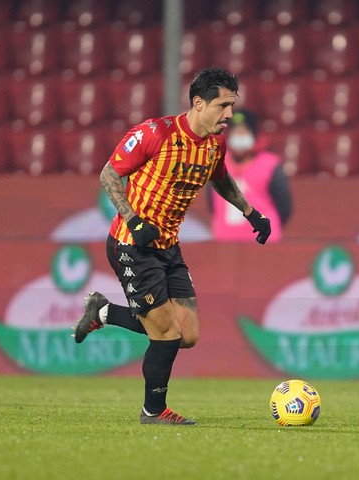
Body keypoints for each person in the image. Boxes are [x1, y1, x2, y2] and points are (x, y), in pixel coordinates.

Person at [73, 67, 271, 425]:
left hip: (168, 246)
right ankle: (153, 411)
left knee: (187, 335)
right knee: (166, 334)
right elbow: (109, 174)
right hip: (132, 244)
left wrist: (251, 213)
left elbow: (220, 178)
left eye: (232, 106)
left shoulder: (215, 144)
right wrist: (134, 220)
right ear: (199, 103)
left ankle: (103, 312)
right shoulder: (155, 133)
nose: (229, 114)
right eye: (223, 105)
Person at [210, 109, 292, 242]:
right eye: (235, 132)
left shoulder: (271, 165)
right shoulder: (217, 163)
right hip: (225, 242)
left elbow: (284, 207)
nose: (239, 137)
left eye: (244, 132)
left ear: (254, 135)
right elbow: (213, 203)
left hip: (263, 242)